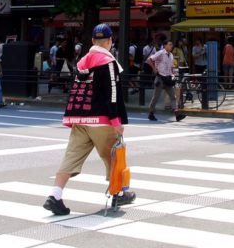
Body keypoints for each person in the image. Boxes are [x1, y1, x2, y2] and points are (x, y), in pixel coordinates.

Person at [43, 24, 135, 216]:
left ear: (93, 41)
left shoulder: (82, 61)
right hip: (101, 120)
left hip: (80, 119)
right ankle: (118, 192)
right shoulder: (108, 62)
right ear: (110, 41)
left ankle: (55, 195)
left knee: (71, 157)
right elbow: (112, 93)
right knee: (113, 155)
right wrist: (117, 121)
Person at [146, 40, 183, 122]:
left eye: (172, 45)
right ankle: (151, 113)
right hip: (160, 77)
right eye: (169, 45)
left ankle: (177, 114)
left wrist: (173, 75)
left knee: (173, 96)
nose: (171, 46)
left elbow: (171, 67)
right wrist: (154, 68)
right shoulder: (160, 53)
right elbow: (149, 59)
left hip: (168, 78)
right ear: (165, 45)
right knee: (156, 97)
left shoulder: (171, 55)